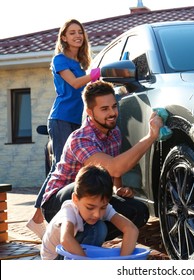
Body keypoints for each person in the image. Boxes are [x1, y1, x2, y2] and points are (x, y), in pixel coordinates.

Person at [41, 80, 163, 241]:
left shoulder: (114, 133)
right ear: (89, 111)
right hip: (59, 202)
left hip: (92, 199)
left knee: (139, 211)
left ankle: (89, 236)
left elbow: (113, 173)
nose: (112, 113)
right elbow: (115, 168)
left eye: (114, 106)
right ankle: (70, 237)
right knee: (83, 188)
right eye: (104, 109)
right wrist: (151, 136)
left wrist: (117, 190)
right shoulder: (81, 139)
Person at [27, 19, 101, 238]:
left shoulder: (79, 64)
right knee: (60, 168)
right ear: (64, 38)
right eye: (72, 32)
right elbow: (76, 84)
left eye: (80, 32)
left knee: (73, 170)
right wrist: (96, 73)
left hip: (76, 120)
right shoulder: (60, 60)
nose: (78, 35)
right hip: (61, 119)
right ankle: (37, 219)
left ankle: (62, 218)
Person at [41, 164, 139, 260]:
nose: (97, 214)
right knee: (97, 228)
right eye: (90, 207)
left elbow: (131, 230)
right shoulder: (69, 210)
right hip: (55, 257)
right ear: (75, 199)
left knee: (99, 227)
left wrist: (123, 263)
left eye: (103, 208)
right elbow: (66, 239)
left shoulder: (103, 206)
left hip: (70, 250)